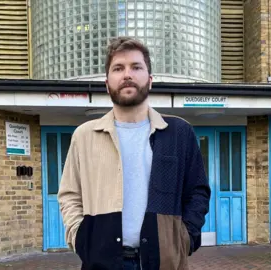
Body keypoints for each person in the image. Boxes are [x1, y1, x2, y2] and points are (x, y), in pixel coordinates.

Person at [57, 36, 210, 270]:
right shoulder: (84, 136)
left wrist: (184, 238)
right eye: (118, 68)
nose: (127, 74)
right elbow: (69, 194)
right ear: (107, 83)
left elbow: (198, 192)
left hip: (164, 263)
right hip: (102, 262)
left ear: (150, 80)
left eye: (136, 67)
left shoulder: (178, 133)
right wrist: (80, 237)